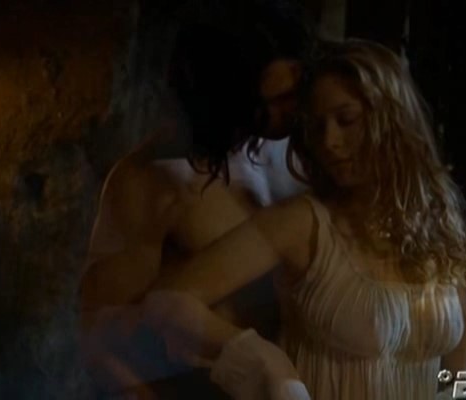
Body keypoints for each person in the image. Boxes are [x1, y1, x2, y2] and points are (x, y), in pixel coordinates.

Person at [143, 39, 466, 400]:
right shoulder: (303, 224)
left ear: (392, 117)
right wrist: (268, 363)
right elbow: (168, 299)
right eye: (317, 128)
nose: (329, 141)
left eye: (346, 120)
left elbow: (461, 348)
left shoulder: (440, 219)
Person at [79, 9, 312, 399]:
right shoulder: (152, 178)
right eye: (274, 100)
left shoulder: (305, 155)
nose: (293, 109)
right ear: (232, 95)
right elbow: (99, 340)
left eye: (296, 91)